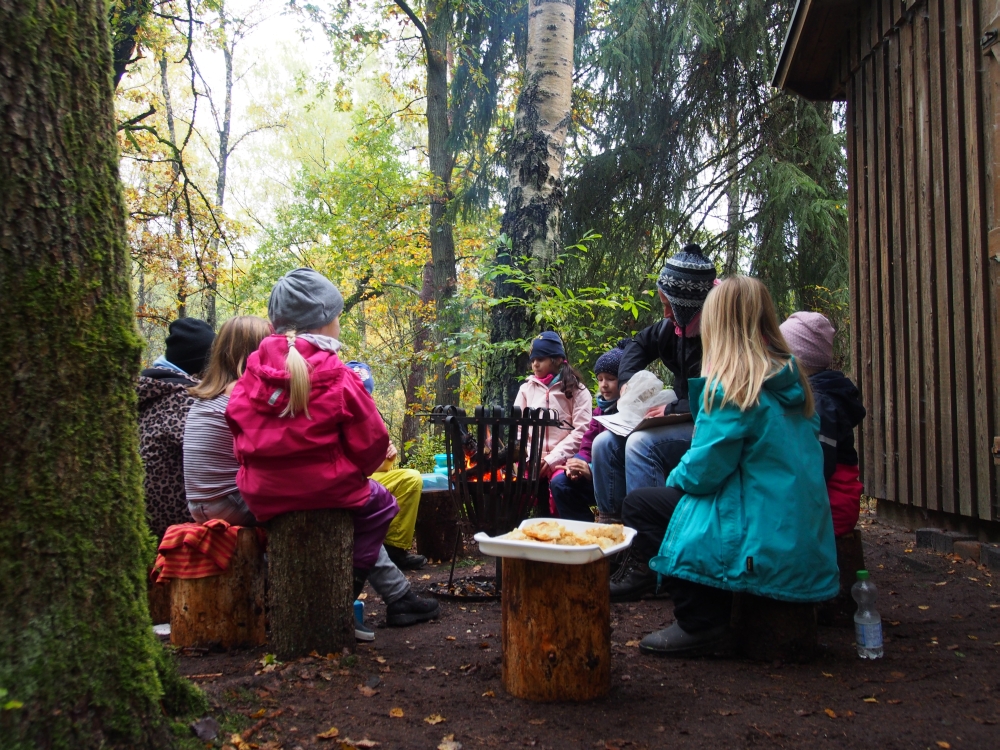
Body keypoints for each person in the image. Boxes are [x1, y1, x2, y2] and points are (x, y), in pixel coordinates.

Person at [616, 277, 839, 655]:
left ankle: (701, 621)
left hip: (761, 542)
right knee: (683, 502)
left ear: (720, 326)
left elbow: (703, 472)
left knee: (642, 506)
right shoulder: (789, 380)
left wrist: (675, 479)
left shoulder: (734, 387)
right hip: (801, 539)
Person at [225, 268, 399, 608]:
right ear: (324, 322)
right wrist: (352, 470)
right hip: (326, 488)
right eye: (337, 316)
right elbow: (373, 442)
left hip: (262, 494)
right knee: (382, 506)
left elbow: (237, 430)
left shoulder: (252, 372)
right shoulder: (338, 373)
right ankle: (346, 587)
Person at [590, 244, 717, 523]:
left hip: (704, 421)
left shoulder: (717, 334)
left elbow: (719, 397)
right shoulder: (671, 329)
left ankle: (649, 539)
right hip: (682, 415)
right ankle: (613, 530)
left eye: (669, 305)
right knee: (602, 444)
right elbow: (638, 344)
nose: (666, 314)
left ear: (687, 304)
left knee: (640, 444)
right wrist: (626, 382)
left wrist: (671, 410)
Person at [780, 311, 866, 537]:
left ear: (796, 359)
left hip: (831, 506)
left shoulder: (820, 402)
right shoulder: (818, 395)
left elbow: (819, 466)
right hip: (824, 500)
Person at [138, 317, 216, 539]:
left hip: (145, 519)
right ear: (203, 367)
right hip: (175, 529)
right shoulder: (183, 400)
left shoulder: (151, 388)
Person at [345, 360, 426, 570]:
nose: (362, 396)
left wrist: (389, 457)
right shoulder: (336, 410)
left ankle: (395, 549)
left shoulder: (372, 414)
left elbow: (380, 468)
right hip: (344, 480)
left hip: (366, 476)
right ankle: (366, 551)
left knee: (411, 478)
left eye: (366, 391)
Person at [548, 342, 626, 522]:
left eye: (610, 379)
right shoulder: (600, 412)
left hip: (620, 482)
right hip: (597, 477)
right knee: (560, 483)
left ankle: (614, 527)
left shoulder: (632, 411)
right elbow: (587, 446)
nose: (604, 385)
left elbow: (621, 459)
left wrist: (590, 469)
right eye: (600, 379)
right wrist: (577, 464)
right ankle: (582, 533)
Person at [513, 331, 593, 480]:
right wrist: (530, 457)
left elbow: (582, 430)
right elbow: (518, 428)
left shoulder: (577, 391)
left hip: (564, 460)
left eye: (541, 359)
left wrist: (553, 459)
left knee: (559, 486)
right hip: (530, 459)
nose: (535, 364)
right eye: (533, 359)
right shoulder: (526, 390)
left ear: (556, 360)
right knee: (513, 488)